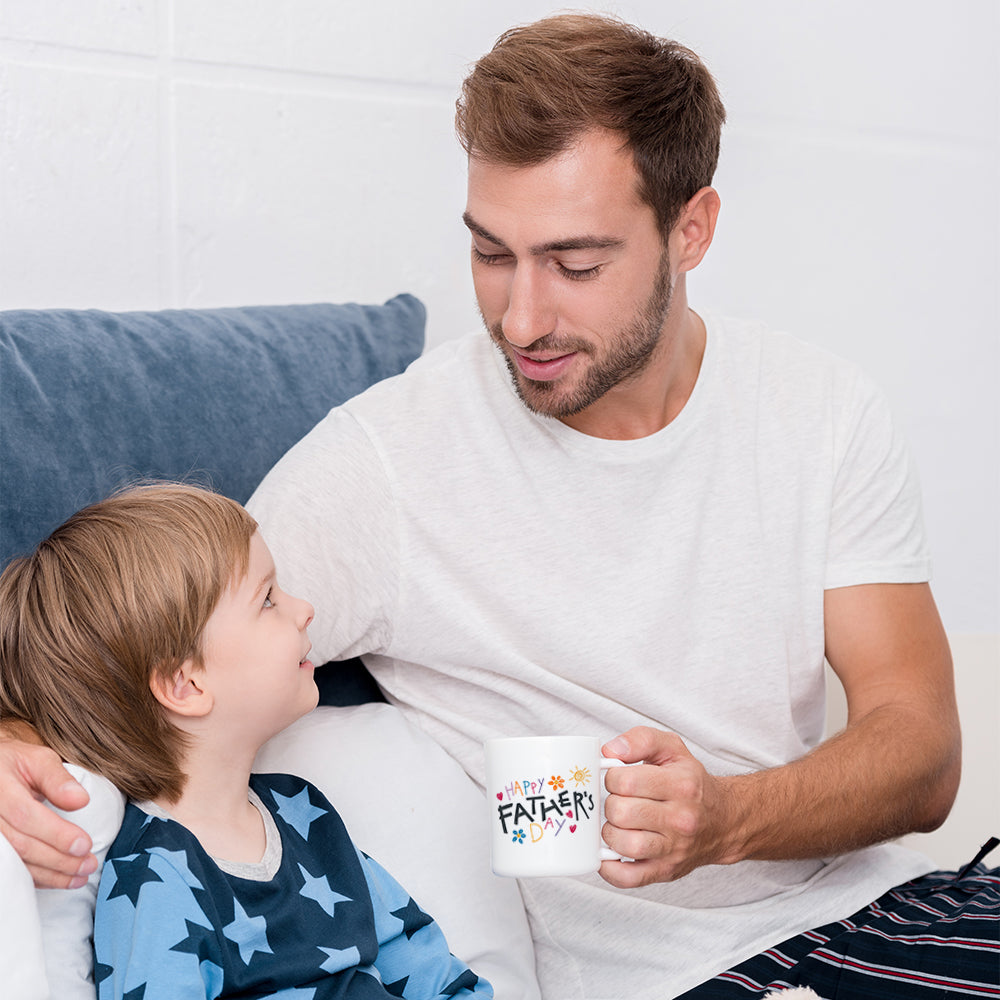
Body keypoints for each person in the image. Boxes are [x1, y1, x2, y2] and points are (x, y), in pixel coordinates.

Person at [1, 12, 996, 999]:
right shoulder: (384, 466)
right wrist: (8, 735)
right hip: (686, 978)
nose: (519, 318)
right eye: (489, 252)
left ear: (690, 229)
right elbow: (135, 646)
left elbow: (920, 750)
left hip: (896, 904)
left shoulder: (819, 409)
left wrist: (727, 818)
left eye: (575, 264)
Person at [0, 483, 490, 999]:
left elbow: (430, 969)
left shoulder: (304, 812)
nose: (304, 609)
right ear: (186, 685)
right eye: (269, 600)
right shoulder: (156, 881)